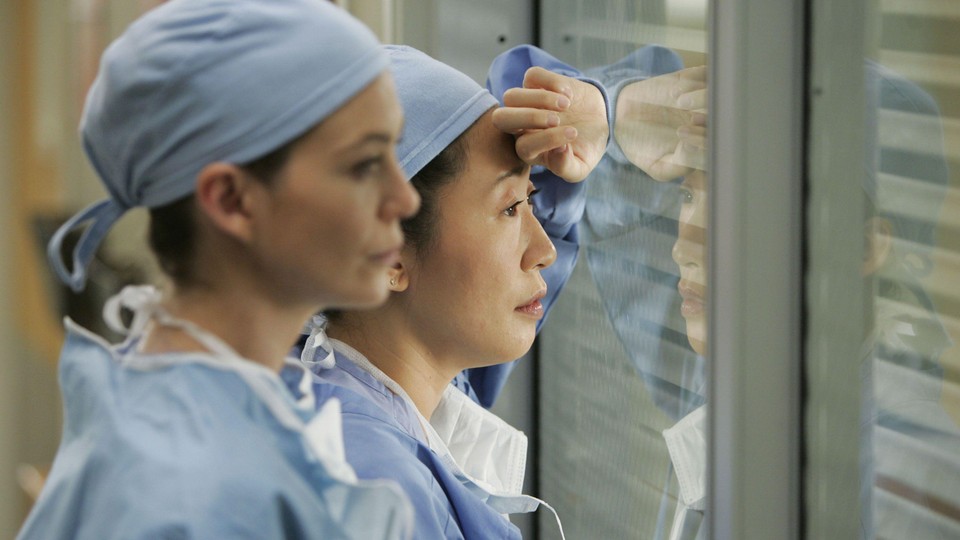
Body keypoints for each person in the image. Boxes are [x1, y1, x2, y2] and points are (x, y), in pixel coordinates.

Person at [18, 1, 421, 538]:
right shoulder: (190, 497)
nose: (405, 198)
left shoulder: (191, 394)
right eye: (366, 164)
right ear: (232, 199)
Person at [295, 44, 704, 539]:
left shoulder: (347, 388)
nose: (545, 251)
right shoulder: (377, 489)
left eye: (532, 200)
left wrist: (609, 113)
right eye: (512, 209)